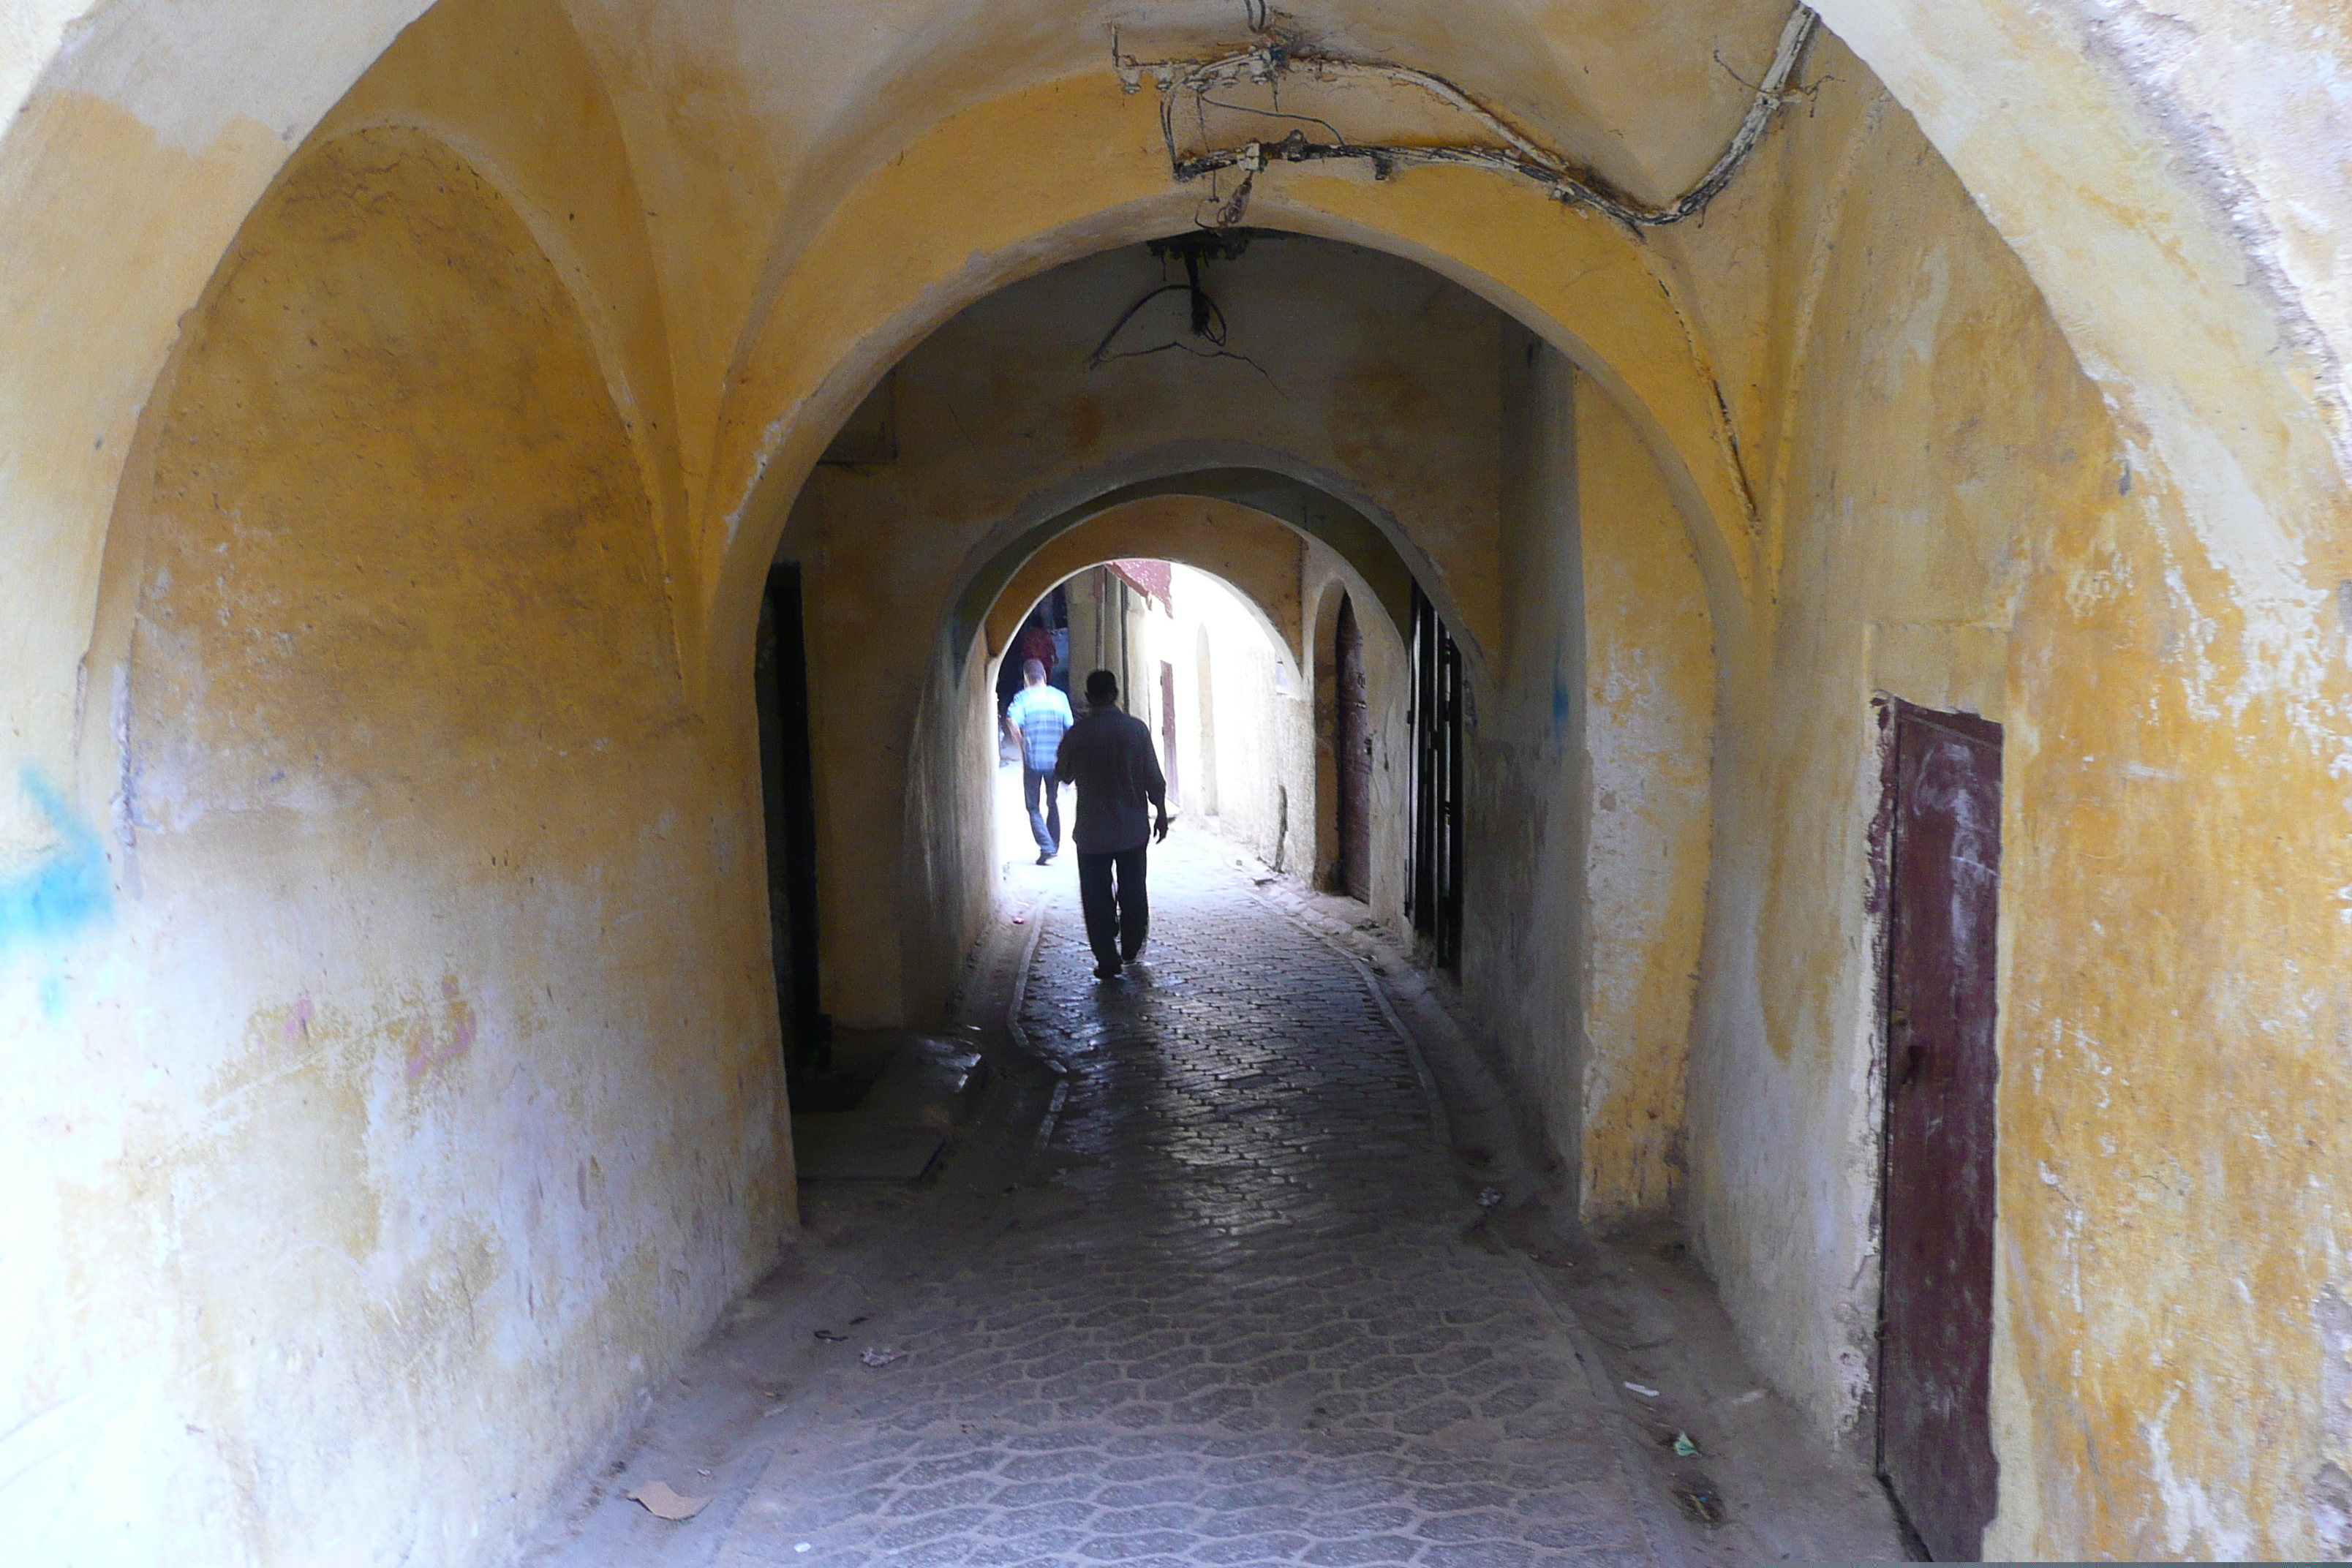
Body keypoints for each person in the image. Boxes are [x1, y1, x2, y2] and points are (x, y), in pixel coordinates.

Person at [1055, 668, 1170, 980]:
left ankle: (1107, 957)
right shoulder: (1136, 730)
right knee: (1134, 891)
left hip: (1092, 833)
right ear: (1116, 693)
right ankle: (1131, 946)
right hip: (1132, 828)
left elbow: (1063, 773)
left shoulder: (1077, 734)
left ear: (1089, 698)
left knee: (1096, 897)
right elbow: (1153, 777)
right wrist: (1159, 811)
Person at [1001, 658, 1074, 864]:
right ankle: (1054, 845)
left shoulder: (1022, 698)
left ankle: (1046, 846)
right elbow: (1070, 727)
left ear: (1027, 678)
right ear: (1044, 676)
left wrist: (1021, 743)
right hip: (1055, 761)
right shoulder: (1060, 697)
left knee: (1033, 806)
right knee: (1053, 802)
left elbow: (1012, 721)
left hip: (1033, 760)